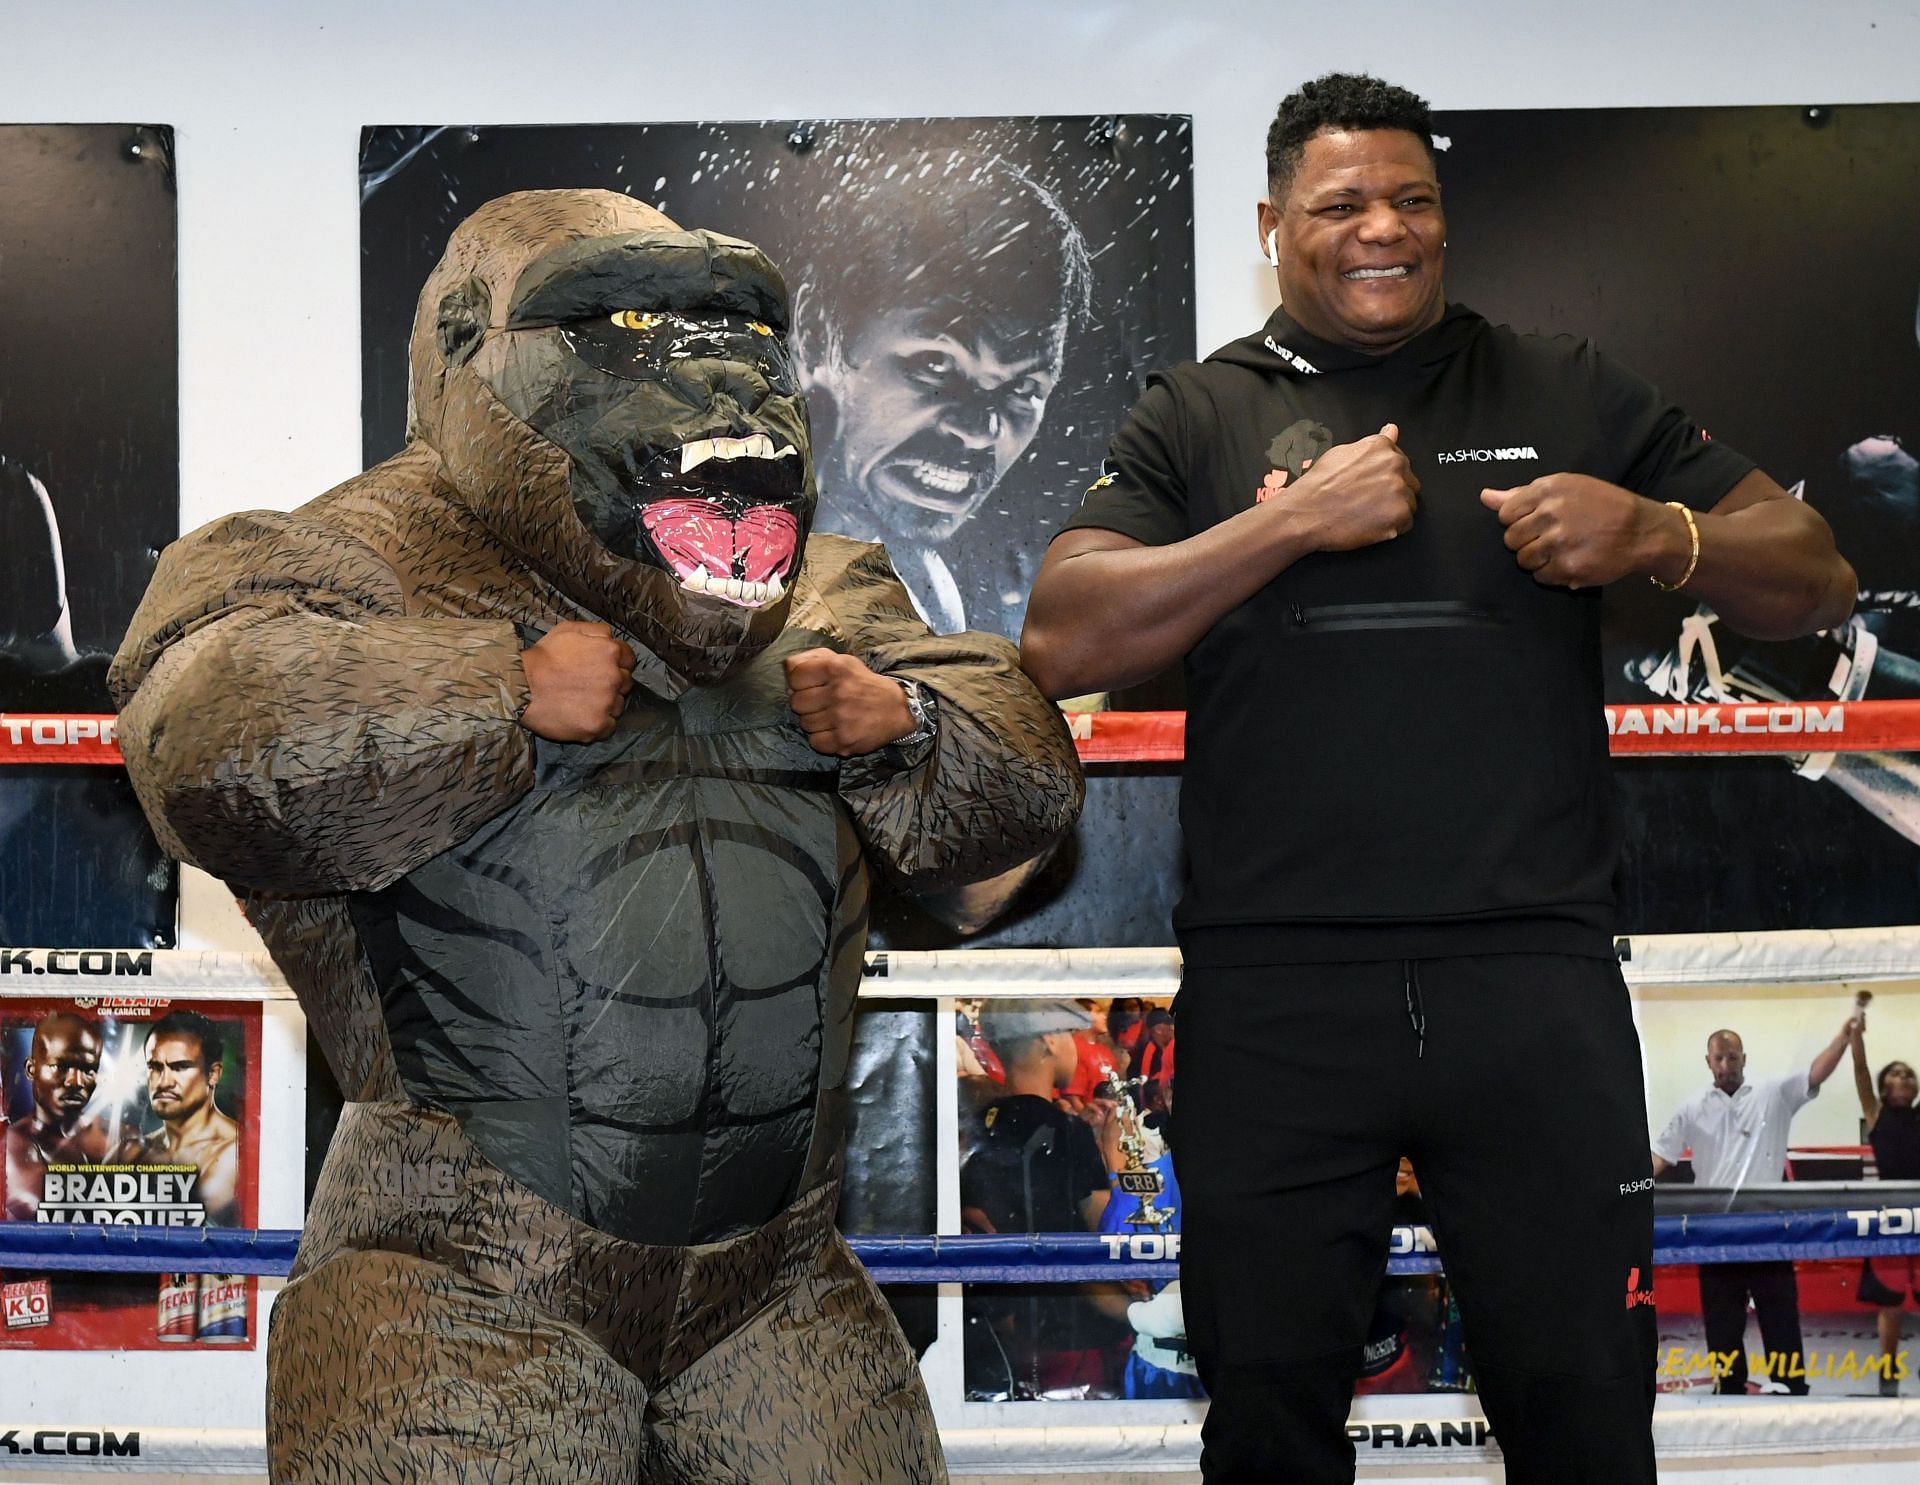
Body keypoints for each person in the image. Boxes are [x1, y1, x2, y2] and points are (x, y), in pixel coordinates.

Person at [109, 189, 1081, 1484]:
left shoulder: (827, 586)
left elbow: (1027, 787)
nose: (708, 374)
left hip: (774, 1278)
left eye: (730, 327)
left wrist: (905, 722)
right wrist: (487, 690)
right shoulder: (339, 561)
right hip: (462, 1275)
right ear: (469, 345)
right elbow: (199, 747)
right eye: (624, 324)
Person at [1020, 72, 1856, 1485]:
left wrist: (1656, 531)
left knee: (1586, 1413)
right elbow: (1062, 634)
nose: (1382, 229)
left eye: (1412, 199)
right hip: (1278, 995)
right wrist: (1286, 530)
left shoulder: (1564, 382)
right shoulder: (1201, 410)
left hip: (1528, 979)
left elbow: (1817, 568)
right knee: (1271, 1422)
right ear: (1275, 222)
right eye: (1343, 203)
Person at [785, 146, 1093, 634]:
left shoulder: (928, 587)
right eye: (936, 364)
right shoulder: (715, 552)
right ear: (818, 331)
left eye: (1023, 388)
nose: (979, 429)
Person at [1651, 1017, 1856, 1394]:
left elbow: (1815, 1074)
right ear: (1708, 1062)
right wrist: (1623, 1184)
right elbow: (1660, 1158)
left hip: (1768, 1228)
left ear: (1744, 1057)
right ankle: (1728, 1384)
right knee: (1721, 1318)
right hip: (1714, 1233)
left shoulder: (1773, 1093)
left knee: (1779, 1313)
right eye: (1719, 1059)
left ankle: (1792, 1384)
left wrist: (1843, 1039)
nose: (1726, 1065)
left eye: (1732, 1057)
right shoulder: (1691, 1108)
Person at [959, 999, 1130, 1398]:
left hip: (1010, 1336)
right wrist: (1112, 1156)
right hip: (1076, 1337)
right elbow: (1111, 1231)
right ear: (1048, 1041)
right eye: (1069, 1033)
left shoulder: (982, 1124)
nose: (1076, 1044)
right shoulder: (1067, 1131)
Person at [1847, 992, 1920, 1395]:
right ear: (1884, 1083)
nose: (1904, 1078)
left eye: (1909, 1073)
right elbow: (1859, 1067)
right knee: (1891, 1302)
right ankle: (1888, 1371)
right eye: (1896, 1073)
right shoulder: (1875, 1113)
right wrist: (1857, 1018)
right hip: (1891, 1217)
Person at [4, 1012, 115, 1219]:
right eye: (61, 1067)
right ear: (31, 1069)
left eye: (88, 1069)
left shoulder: (118, 1136)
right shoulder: (10, 1146)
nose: (75, 1081)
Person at [140, 1011, 242, 1227]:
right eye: (155, 1067)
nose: (164, 1082)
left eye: (180, 1067)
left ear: (213, 1074)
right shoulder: (132, 1151)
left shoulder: (240, 1153)